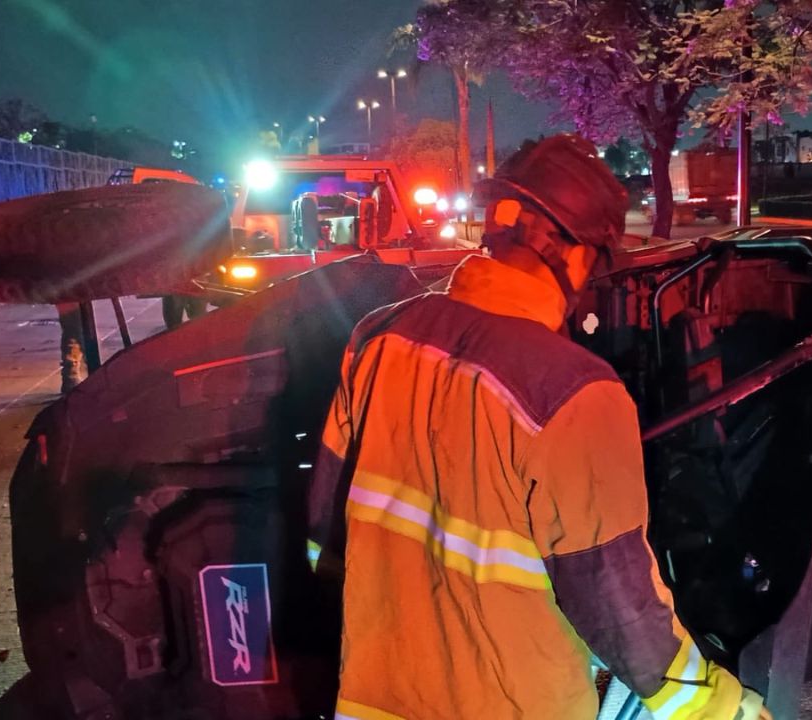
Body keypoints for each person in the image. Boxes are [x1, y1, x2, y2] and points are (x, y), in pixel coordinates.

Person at [307, 134, 769, 720]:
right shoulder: (574, 392)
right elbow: (619, 611)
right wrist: (723, 708)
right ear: (574, 254)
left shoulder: (379, 337)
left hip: (371, 701)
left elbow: (324, 533)